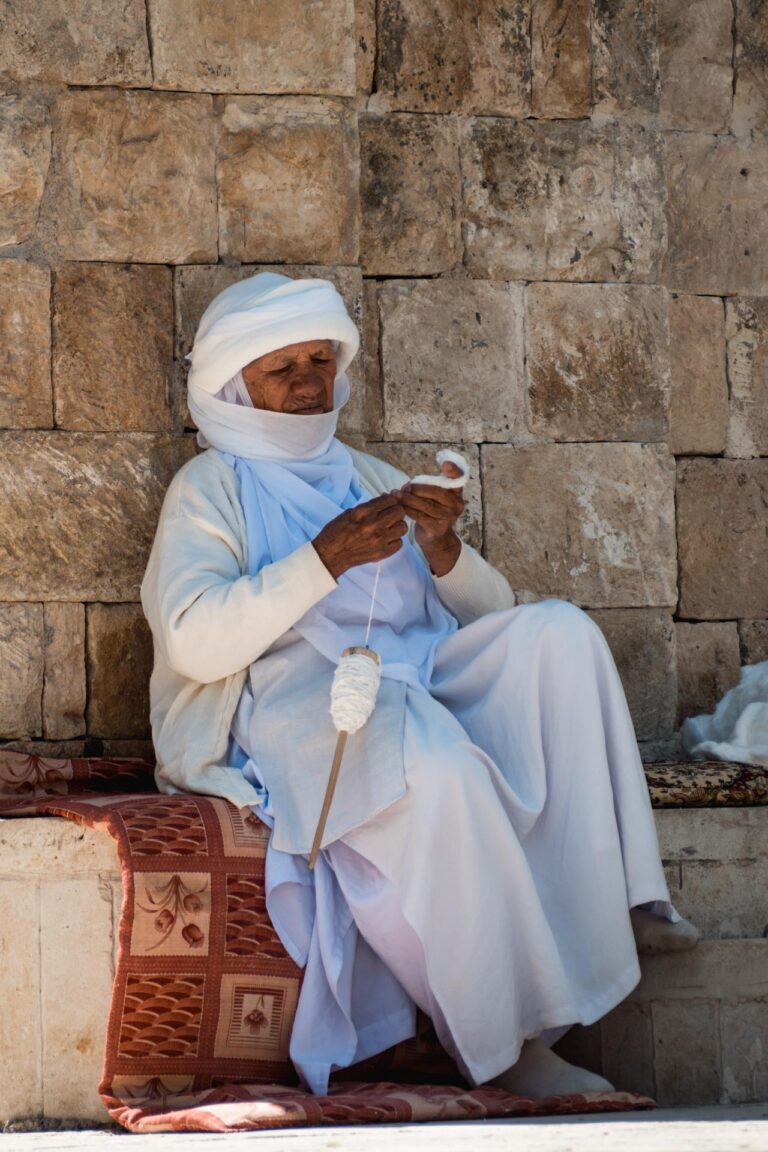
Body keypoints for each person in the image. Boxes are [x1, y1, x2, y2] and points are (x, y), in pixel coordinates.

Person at [141, 272, 698, 1099]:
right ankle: (511, 1046)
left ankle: (626, 906)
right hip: (296, 702)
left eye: (319, 361)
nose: (306, 384)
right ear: (234, 384)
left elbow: (486, 614)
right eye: (281, 367)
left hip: (425, 672)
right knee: (438, 763)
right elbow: (192, 638)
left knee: (560, 635)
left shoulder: (367, 474)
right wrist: (322, 560)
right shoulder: (211, 488)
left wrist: (444, 553)